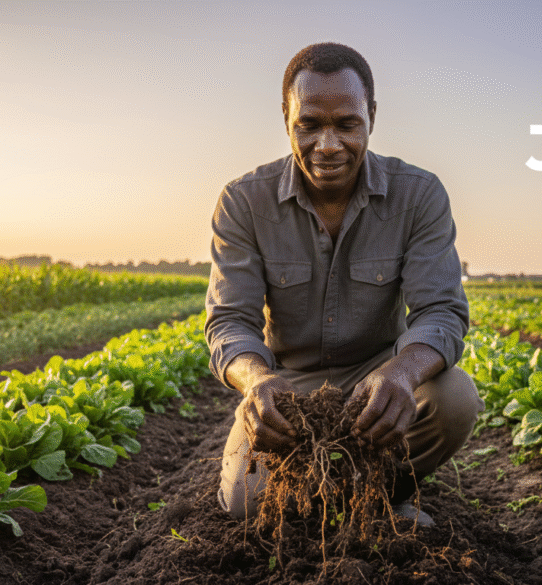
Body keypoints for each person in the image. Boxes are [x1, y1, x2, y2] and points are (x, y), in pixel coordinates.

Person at [205, 41, 484, 527]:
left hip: (379, 381)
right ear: (286, 117)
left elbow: (441, 311)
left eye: (347, 125)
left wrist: (401, 374)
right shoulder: (243, 202)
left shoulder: (418, 195)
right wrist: (258, 380)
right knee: (246, 505)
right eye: (309, 124)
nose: (328, 144)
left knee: (454, 397)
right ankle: (343, 500)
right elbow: (230, 321)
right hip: (289, 390)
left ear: (371, 116)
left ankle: (379, 494)